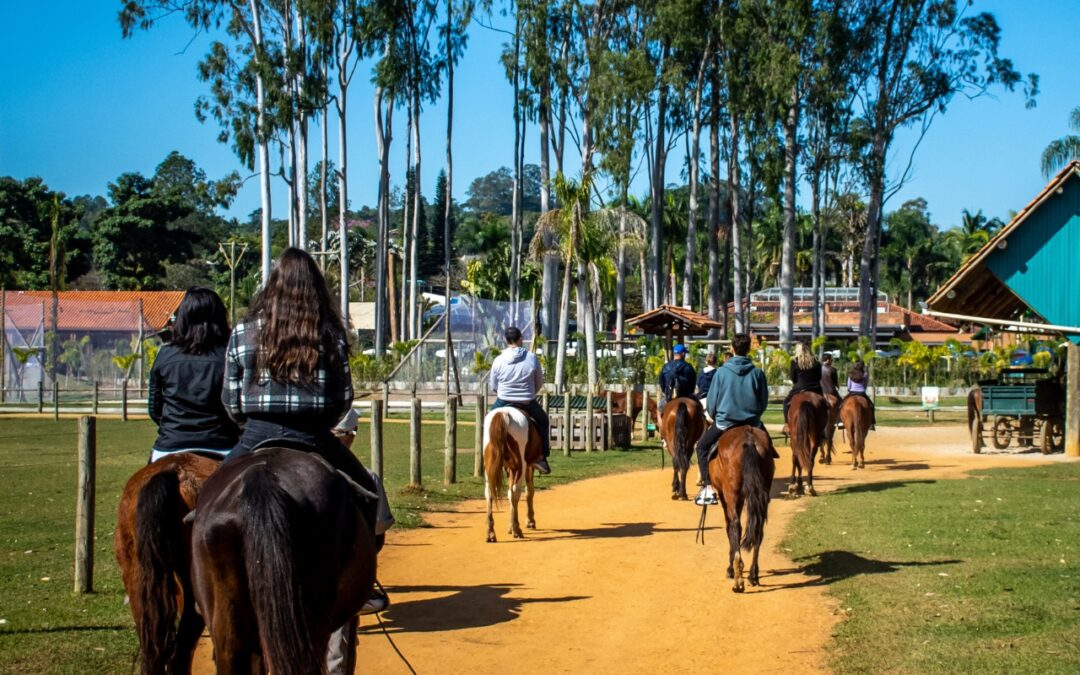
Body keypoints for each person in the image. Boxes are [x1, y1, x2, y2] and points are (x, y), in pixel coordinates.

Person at [220, 248, 388, 620]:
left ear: (272, 286)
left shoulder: (243, 332)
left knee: (206, 499)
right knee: (367, 494)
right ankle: (362, 584)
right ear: (316, 287)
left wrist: (248, 426)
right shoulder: (329, 333)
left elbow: (230, 401)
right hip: (314, 437)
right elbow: (343, 399)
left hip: (254, 435)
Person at [147, 287, 239, 463]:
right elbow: (235, 406)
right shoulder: (228, 355)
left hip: (170, 444)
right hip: (222, 445)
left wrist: (173, 427)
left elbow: (155, 408)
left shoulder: (165, 354)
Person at [693, 333, 771, 505]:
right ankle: (765, 486)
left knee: (702, 447)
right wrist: (755, 416)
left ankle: (707, 487)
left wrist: (715, 416)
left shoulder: (721, 372)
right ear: (748, 349)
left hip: (725, 422)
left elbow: (712, 402)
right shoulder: (757, 372)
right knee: (769, 450)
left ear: (732, 348)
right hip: (753, 422)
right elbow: (763, 401)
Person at [488, 326, 551, 475]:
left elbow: (493, 385)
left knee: (488, 422)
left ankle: (488, 451)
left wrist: (503, 393)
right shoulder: (531, 358)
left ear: (505, 340)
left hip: (503, 401)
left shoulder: (498, 359)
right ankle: (541, 456)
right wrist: (529, 393)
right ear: (521, 339)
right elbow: (539, 382)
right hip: (526, 402)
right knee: (543, 421)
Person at [782, 341, 823, 422]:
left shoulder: (794, 362)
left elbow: (793, 378)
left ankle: (786, 424)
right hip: (815, 389)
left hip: (799, 388)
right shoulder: (817, 362)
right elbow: (819, 377)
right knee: (825, 405)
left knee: (785, 403)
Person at [659, 343, 697, 409]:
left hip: (669, 397)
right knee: (699, 408)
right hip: (686, 396)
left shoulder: (665, 366)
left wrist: (666, 392)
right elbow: (693, 383)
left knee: (659, 410)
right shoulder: (689, 367)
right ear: (683, 354)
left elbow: (661, 382)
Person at [845, 359, 877, 430]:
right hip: (862, 393)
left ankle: (840, 421)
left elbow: (849, 386)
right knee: (871, 406)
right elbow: (865, 385)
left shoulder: (851, 373)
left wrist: (850, 389)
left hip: (852, 392)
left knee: (840, 405)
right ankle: (872, 423)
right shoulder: (865, 374)